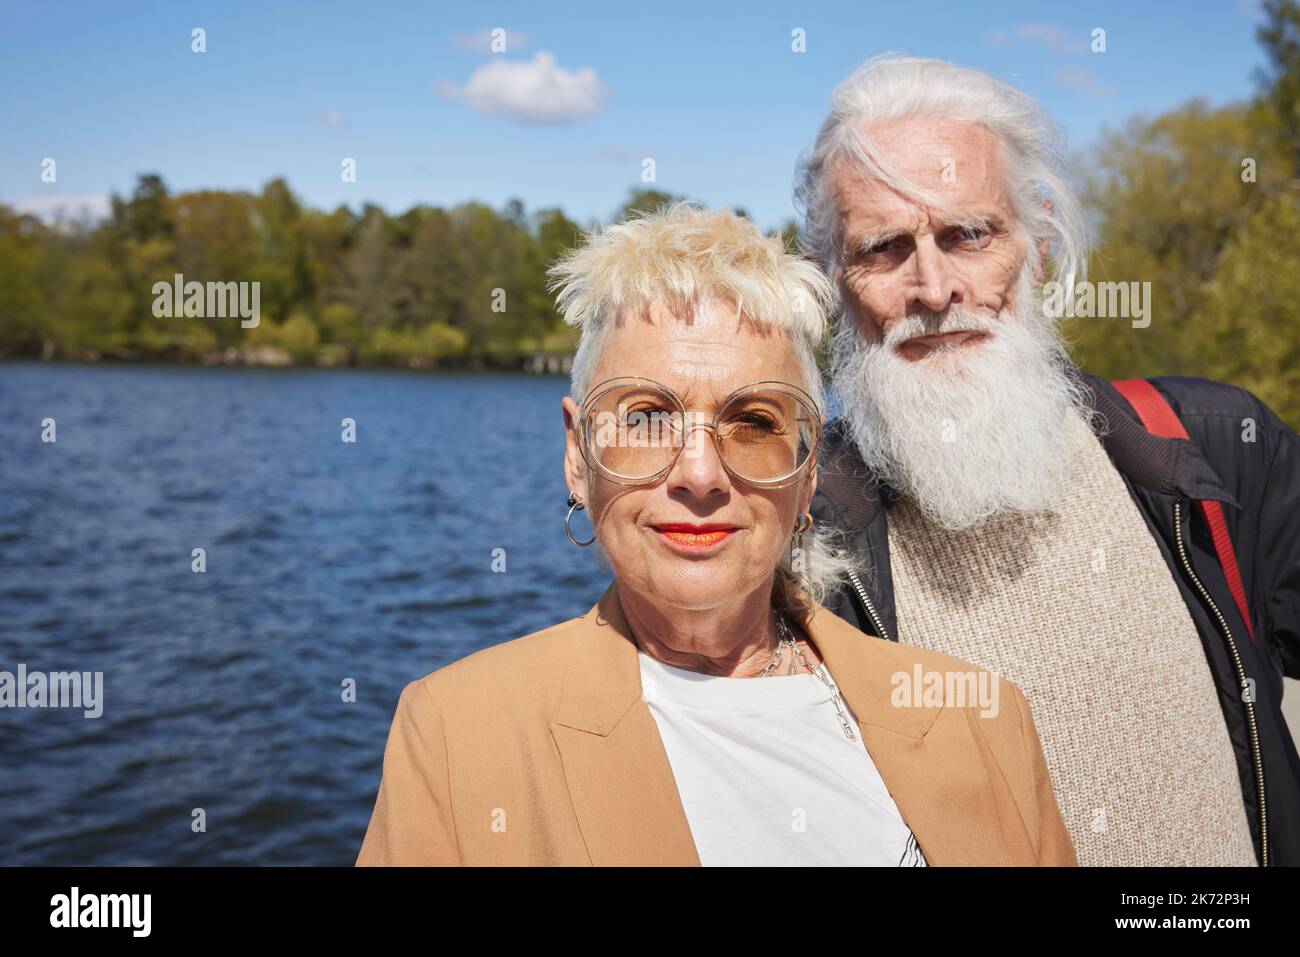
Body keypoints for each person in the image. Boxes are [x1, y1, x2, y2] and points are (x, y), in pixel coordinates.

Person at [356, 203, 1076, 866]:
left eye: (755, 422)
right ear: (579, 456)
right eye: (644, 418)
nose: (700, 474)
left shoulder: (982, 719)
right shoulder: (459, 736)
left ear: (807, 471)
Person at [796, 53, 1300, 866]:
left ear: (1035, 246)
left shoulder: (1219, 445)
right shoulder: (800, 535)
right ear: (835, 282)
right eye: (885, 248)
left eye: (969, 234)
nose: (934, 287)